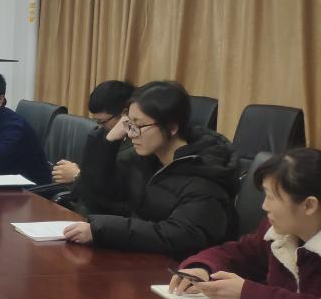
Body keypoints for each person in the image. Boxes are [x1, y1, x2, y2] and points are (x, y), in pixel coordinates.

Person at [65, 81, 239, 260]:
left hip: (181, 268)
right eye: (129, 124)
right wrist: (107, 141)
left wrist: (104, 229)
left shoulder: (206, 175)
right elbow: (98, 193)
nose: (131, 134)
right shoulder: (147, 160)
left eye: (139, 126)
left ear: (172, 127)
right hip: (141, 258)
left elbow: (179, 235)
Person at [170, 148, 321, 299]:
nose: (264, 206)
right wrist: (202, 268)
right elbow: (238, 253)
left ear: (309, 205)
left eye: (271, 197)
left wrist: (247, 294)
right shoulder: (278, 232)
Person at [51, 80, 135, 184]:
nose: (99, 126)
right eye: (97, 121)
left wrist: (78, 176)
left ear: (125, 114)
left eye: (102, 122)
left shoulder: (136, 145)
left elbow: (118, 188)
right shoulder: (97, 135)